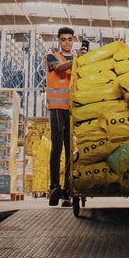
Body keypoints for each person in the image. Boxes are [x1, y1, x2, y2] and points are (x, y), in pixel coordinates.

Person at [45, 27, 76, 207]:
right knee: (57, 148)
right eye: (63, 39)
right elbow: (59, 69)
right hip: (57, 108)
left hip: (73, 109)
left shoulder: (79, 59)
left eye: (69, 39)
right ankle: (54, 188)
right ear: (59, 41)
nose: (66, 42)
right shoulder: (52, 57)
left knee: (71, 149)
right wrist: (77, 60)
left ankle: (68, 190)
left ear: (73, 40)